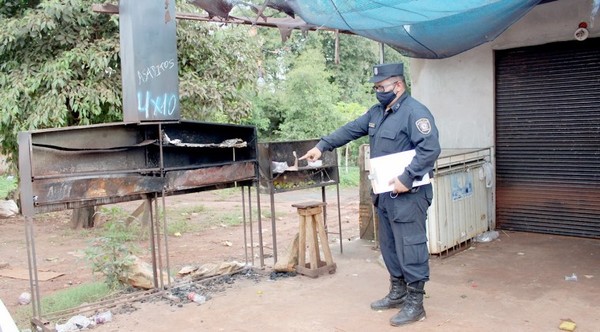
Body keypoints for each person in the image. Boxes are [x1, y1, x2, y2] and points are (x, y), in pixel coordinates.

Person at [299, 63, 441, 326]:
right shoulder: (377, 112)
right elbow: (351, 129)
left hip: (409, 195)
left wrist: (407, 178)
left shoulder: (415, 113)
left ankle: (416, 303)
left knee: (411, 246)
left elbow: (430, 149)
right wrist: (322, 146)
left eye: (381, 87)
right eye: (375, 88)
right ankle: (398, 292)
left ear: (398, 85)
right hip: (385, 194)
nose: (377, 92)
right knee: (390, 247)